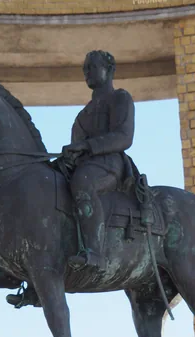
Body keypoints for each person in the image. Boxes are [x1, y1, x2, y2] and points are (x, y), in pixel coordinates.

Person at [62, 50, 135, 271]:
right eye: (85, 68)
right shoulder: (82, 115)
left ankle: (95, 253)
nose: (86, 72)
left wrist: (86, 146)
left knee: (83, 183)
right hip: (86, 165)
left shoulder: (120, 98)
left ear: (110, 70)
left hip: (111, 164)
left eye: (92, 67)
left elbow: (124, 137)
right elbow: (77, 145)